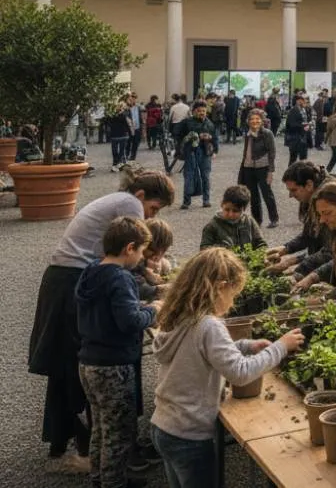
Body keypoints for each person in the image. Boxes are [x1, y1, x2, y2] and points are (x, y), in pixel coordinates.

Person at [29, 173, 173, 473]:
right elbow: (132, 249)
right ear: (142, 195)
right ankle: (108, 454)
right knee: (80, 364)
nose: (150, 216)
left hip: (64, 277)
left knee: (71, 367)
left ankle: (90, 448)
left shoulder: (116, 201)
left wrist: (147, 281)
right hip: (69, 280)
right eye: (154, 209)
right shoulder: (130, 204)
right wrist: (152, 291)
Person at [151, 247, 304, 488]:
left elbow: (199, 352)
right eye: (233, 294)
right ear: (220, 287)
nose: (233, 303)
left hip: (164, 425)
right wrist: (281, 346)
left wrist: (244, 345)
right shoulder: (209, 325)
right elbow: (240, 373)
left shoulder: (181, 315)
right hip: (190, 435)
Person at [75, 216, 156, 488]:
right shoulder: (120, 279)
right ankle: (114, 483)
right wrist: (153, 310)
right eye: (142, 250)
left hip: (88, 362)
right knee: (119, 432)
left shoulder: (91, 270)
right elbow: (130, 321)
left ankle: (101, 478)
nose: (142, 257)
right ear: (129, 248)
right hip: (114, 366)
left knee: (100, 426)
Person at [265, 162, 328, 273]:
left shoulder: (329, 204)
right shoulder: (313, 197)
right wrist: (284, 249)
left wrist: (293, 263)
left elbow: (331, 253)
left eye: (293, 190)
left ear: (309, 185)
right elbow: (309, 236)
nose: (290, 196)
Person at [236, 108, 278, 227]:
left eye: (257, 119)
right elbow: (246, 152)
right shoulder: (247, 134)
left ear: (262, 120)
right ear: (248, 121)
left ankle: (274, 218)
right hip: (248, 167)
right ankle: (257, 221)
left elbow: (272, 153)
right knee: (253, 196)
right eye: (252, 119)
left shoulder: (267, 134)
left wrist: (271, 171)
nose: (255, 121)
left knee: (267, 194)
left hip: (263, 167)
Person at [176, 100, 218, 210]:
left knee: (205, 176)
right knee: (189, 176)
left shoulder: (210, 123)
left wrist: (215, 150)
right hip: (191, 152)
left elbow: (215, 137)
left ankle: (206, 200)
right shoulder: (186, 122)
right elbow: (177, 134)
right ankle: (186, 202)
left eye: (204, 111)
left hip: (205, 152)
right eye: (199, 111)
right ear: (194, 111)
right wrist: (195, 136)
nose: (202, 113)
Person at [200, 185, 266, 250]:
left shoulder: (249, 221)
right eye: (227, 209)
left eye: (235, 211)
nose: (230, 214)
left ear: (244, 209)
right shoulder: (212, 226)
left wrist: (260, 253)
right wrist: (222, 250)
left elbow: (261, 243)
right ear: (222, 204)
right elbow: (204, 249)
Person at [284, 94, 310, 166]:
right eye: (303, 100)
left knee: (303, 160)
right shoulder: (293, 111)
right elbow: (292, 125)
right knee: (293, 159)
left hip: (302, 138)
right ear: (298, 101)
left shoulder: (303, 110)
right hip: (294, 139)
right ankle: (290, 175)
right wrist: (303, 126)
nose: (305, 102)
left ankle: (301, 175)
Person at [106, 101, 131, 171]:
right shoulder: (124, 115)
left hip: (115, 135)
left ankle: (116, 163)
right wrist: (129, 133)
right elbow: (127, 124)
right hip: (122, 135)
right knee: (121, 151)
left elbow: (108, 123)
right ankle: (118, 163)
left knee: (115, 151)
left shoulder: (111, 115)